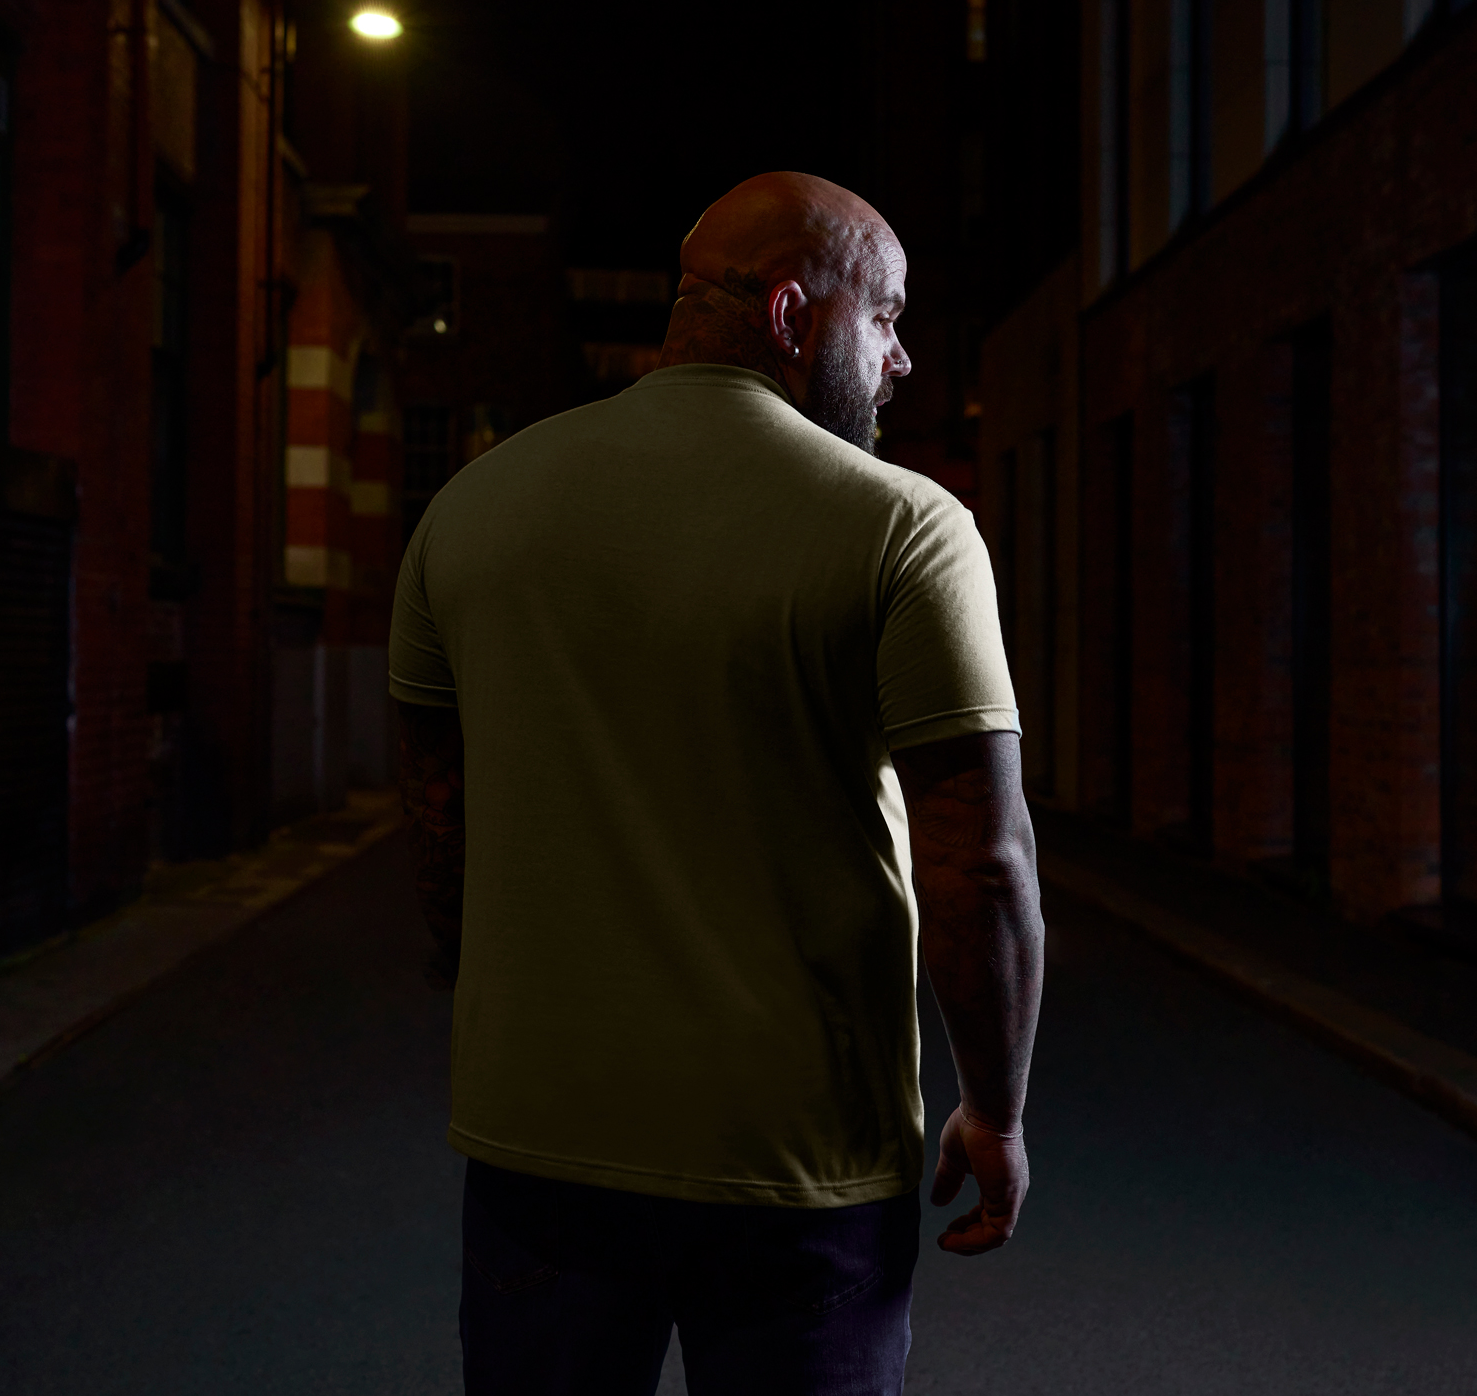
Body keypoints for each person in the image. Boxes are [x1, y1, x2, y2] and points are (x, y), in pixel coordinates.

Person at [391, 171, 1044, 1394]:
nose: (902, 361)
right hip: (803, 1170)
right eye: (889, 318)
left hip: (540, 1152)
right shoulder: (906, 528)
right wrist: (995, 1111)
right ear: (796, 316)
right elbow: (985, 861)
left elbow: (440, 818)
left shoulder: (470, 509)